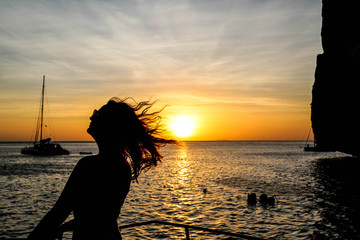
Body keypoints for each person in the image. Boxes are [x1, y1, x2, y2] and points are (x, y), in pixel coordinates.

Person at [27, 97, 176, 240]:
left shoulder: (89, 165)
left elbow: (59, 212)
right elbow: (100, 218)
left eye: (97, 115)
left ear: (109, 126)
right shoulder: (122, 165)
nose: (91, 118)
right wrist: (64, 227)